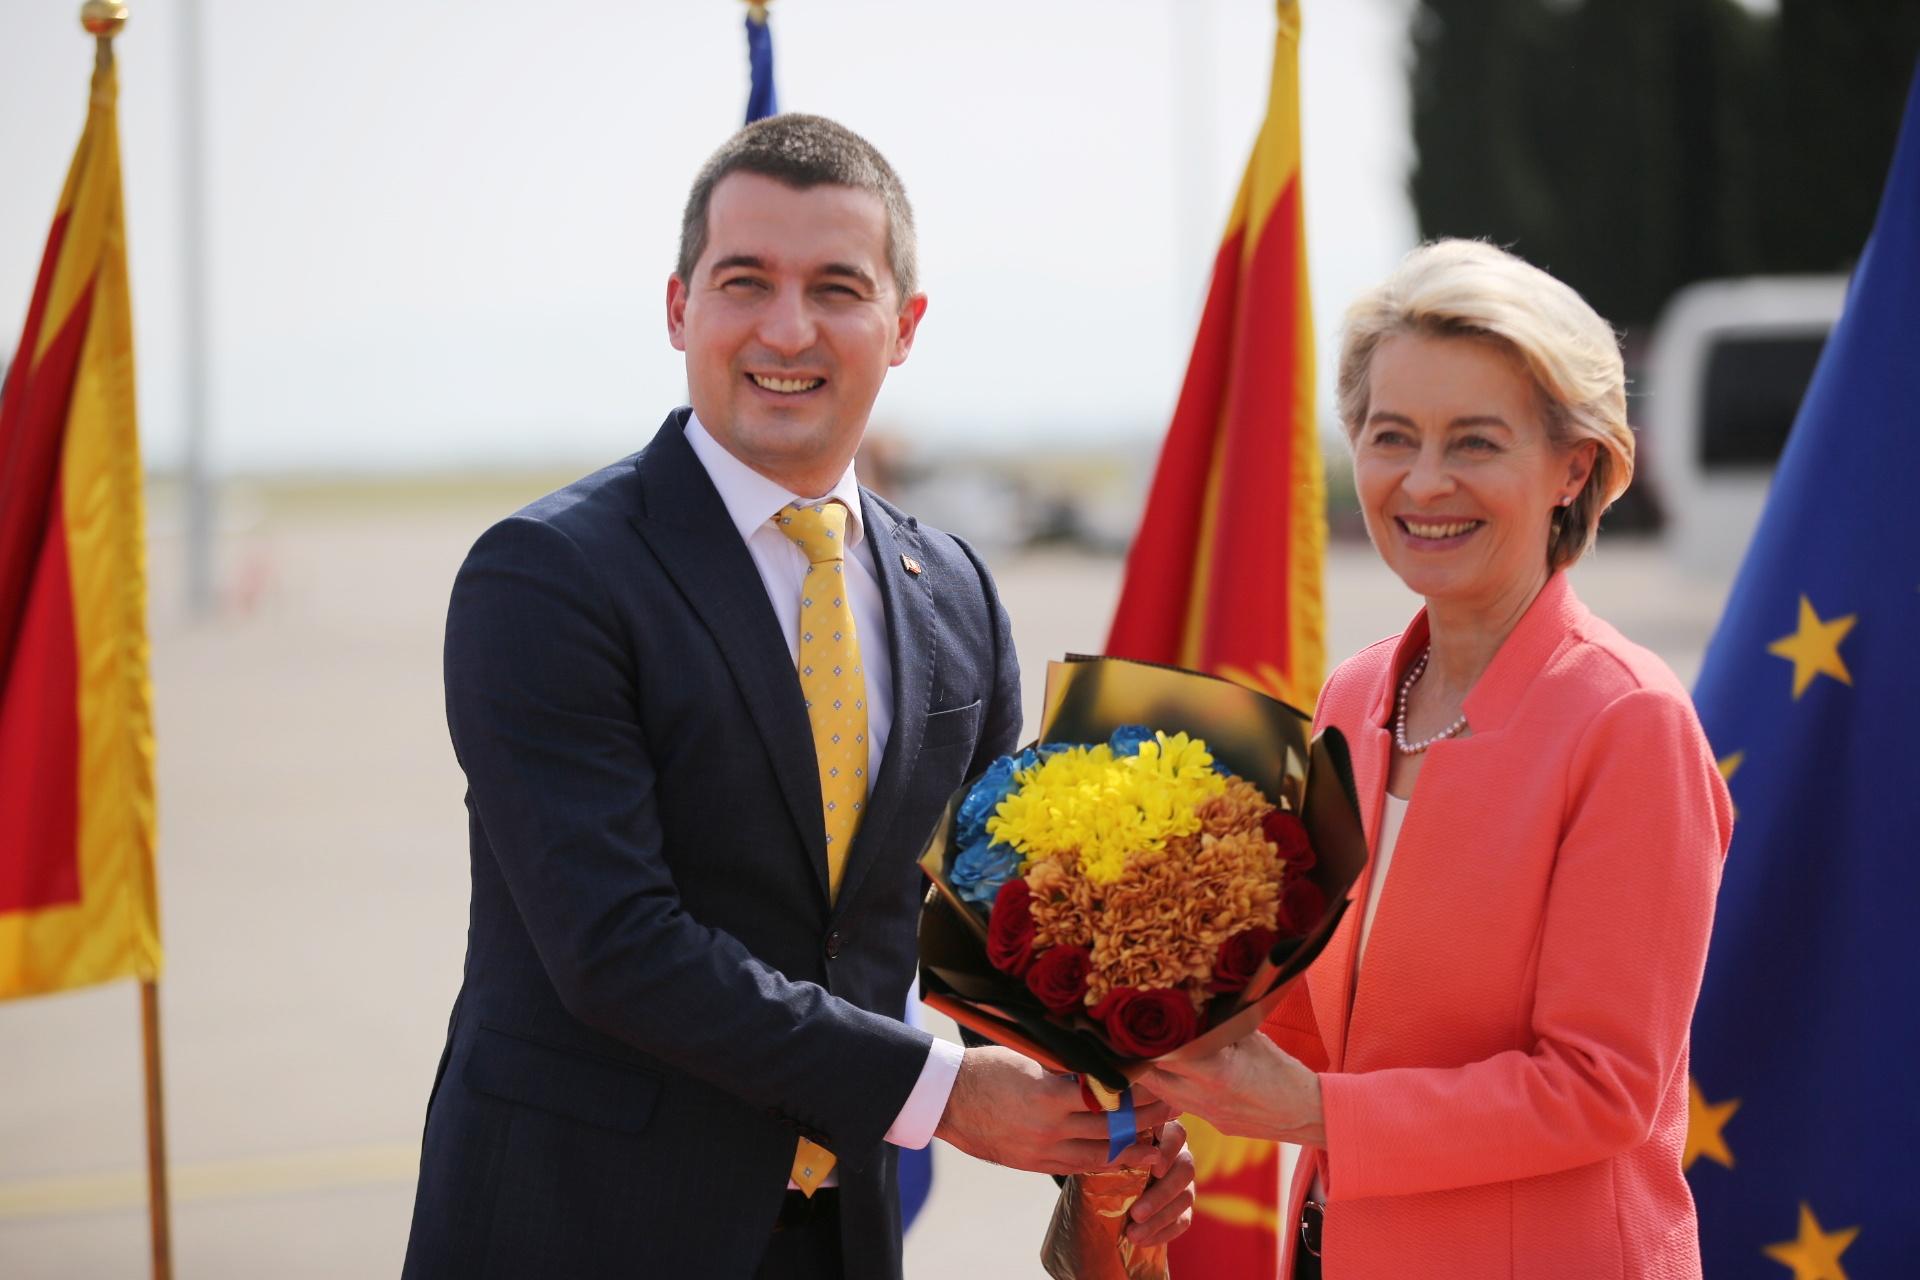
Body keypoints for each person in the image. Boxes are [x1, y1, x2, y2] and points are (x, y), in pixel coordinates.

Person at [401, 114, 1194, 1280]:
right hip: (579, 1224)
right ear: (679, 308)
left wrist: (1112, 1107)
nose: (788, 327)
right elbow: (616, 945)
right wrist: (939, 1092)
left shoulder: (957, 594)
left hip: (837, 1238)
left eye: (836, 286)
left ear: (903, 325)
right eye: (745, 282)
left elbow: (982, 932)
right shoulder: (550, 575)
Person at [1140, 239, 1733, 1279]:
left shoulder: (1628, 721)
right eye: (1391, 435)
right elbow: (1331, 1027)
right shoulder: (1355, 696)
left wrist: (1314, 1108)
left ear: (1574, 465)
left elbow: (1600, 1088)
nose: (1423, 481)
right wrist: (1141, 1029)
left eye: (1475, 442)